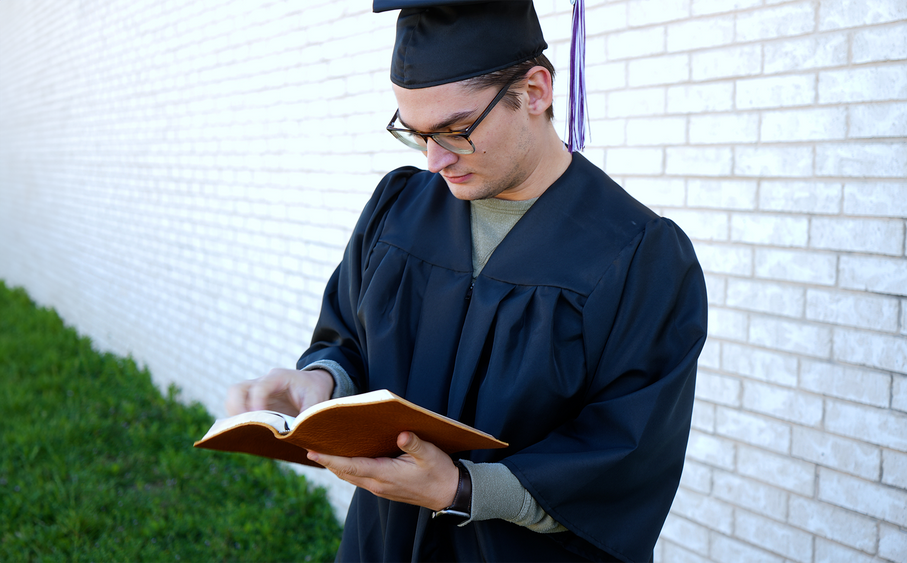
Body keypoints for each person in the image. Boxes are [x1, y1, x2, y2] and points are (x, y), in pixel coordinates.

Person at [225, 1, 708, 562]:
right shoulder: (397, 208)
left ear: (535, 91)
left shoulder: (639, 256)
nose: (434, 161)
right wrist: (323, 381)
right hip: (379, 544)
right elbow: (348, 340)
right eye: (416, 133)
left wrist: (460, 488)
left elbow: (627, 458)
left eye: (455, 131)